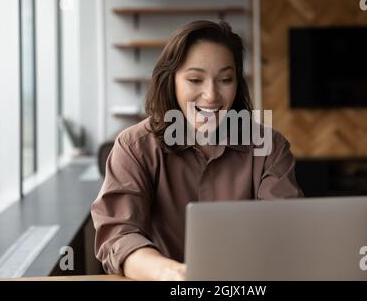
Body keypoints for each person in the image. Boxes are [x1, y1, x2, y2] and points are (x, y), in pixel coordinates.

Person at [91, 20, 303, 281]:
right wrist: (170, 272)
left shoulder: (269, 147)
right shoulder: (134, 146)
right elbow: (118, 236)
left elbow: (284, 230)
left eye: (225, 79)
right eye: (195, 79)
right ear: (171, 81)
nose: (211, 95)